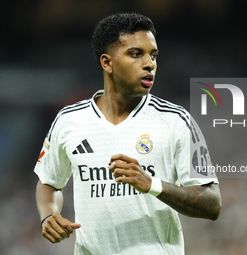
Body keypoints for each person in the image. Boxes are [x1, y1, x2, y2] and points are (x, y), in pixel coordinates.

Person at [34, 13, 221, 255]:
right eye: (136, 54)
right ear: (107, 62)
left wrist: (151, 184)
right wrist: (48, 213)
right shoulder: (70, 120)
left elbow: (212, 204)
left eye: (153, 55)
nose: (149, 63)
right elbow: (49, 182)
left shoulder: (175, 120)